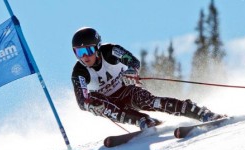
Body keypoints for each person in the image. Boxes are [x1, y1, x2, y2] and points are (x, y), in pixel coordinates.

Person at [71, 27, 224, 130]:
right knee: (95, 99)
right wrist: (90, 105)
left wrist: (132, 70)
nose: (85, 56)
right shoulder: (79, 72)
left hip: (128, 91)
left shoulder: (110, 50)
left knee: (152, 101)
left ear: (97, 47)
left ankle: (199, 112)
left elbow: (133, 60)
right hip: (110, 103)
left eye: (88, 50)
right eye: (79, 52)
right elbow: (81, 100)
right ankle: (142, 120)